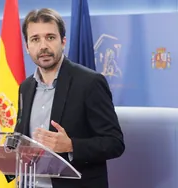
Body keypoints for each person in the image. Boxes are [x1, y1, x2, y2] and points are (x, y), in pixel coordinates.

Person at [14, 8, 125, 188]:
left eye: (50, 37)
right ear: (27, 47)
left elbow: (114, 143)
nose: (43, 46)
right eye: (35, 39)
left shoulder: (89, 83)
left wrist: (71, 145)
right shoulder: (25, 88)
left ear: (63, 41)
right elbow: (22, 137)